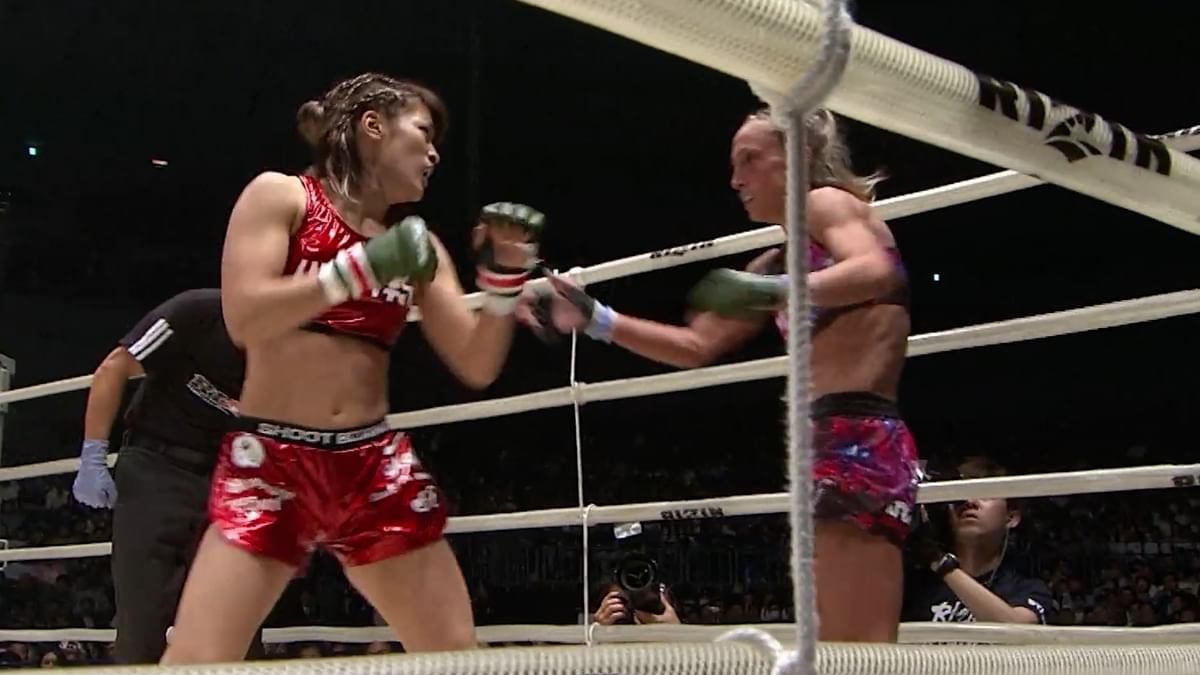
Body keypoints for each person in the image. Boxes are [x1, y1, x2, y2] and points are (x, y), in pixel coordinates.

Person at [160, 72, 547, 664]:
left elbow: (475, 363)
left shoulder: (418, 247)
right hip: (273, 460)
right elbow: (245, 318)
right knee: (197, 661)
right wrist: (360, 269)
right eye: (424, 132)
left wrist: (504, 278)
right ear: (373, 127)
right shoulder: (282, 197)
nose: (435, 153)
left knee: (456, 657)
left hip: (372, 466)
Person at [522, 108, 918, 642]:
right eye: (734, 164)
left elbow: (876, 269)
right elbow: (696, 345)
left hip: (859, 436)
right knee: (836, 647)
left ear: (797, 154)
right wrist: (597, 319)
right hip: (823, 442)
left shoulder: (825, 203)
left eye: (750, 159)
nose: (735, 179)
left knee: (859, 651)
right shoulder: (775, 261)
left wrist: (771, 292)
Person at [71, 289, 264, 663]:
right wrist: (93, 452)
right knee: (144, 619)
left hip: (228, 478)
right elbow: (115, 367)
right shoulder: (199, 312)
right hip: (157, 467)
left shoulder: (292, 347)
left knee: (238, 620)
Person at [903, 456, 1053, 624]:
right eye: (960, 496)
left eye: (985, 494)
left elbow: (1017, 629)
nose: (970, 502)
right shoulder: (916, 584)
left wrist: (940, 563)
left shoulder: (1027, 589)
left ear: (1011, 516)